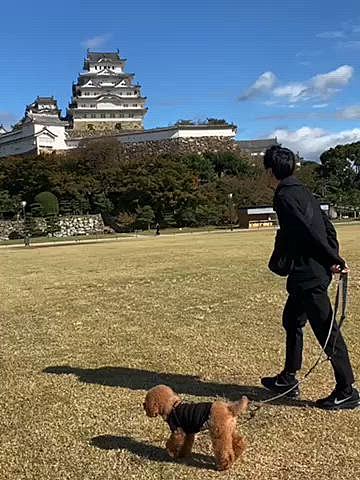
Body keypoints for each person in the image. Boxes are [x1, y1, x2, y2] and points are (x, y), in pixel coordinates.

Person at [261, 145, 359, 410]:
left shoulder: (283, 196)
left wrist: (333, 260)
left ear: (271, 171)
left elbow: (306, 231)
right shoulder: (302, 191)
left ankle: (347, 389)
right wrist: (333, 256)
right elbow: (326, 226)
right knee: (292, 320)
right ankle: (288, 378)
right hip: (310, 271)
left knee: (327, 330)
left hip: (309, 274)